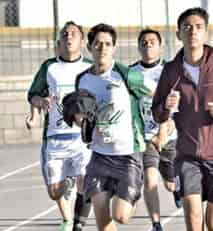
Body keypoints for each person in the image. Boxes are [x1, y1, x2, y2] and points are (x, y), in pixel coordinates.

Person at [151, 7, 213, 231]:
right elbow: (156, 113)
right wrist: (165, 108)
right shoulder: (171, 71)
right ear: (178, 34)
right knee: (194, 219)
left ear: (205, 32)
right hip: (187, 155)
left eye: (198, 27)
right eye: (187, 28)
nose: (192, 32)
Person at [73, 23, 149, 231]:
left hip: (128, 155)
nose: (102, 48)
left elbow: (153, 96)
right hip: (99, 155)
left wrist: (165, 119)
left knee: (121, 216)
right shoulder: (83, 79)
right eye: (97, 43)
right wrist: (81, 120)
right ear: (89, 47)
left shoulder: (126, 75)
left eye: (107, 44)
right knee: (102, 220)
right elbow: (78, 112)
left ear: (114, 47)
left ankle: (131, 193)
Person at [26, 21, 92, 231]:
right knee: (55, 192)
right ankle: (67, 187)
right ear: (59, 41)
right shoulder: (49, 67)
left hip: (82, 139)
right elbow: (33, 94)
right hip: (55, 139)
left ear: (82, 41)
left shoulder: (90, 67)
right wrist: (39, 105)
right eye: (64, 34)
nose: (68, 37)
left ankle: (75, 222)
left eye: (73, 34)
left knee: (85, 181)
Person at [129, 28, 181, 231]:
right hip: (146, 138)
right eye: (143, 41)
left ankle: (177, 190)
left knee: (170, 183)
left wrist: (170, 124)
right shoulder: (132, 73)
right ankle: (156, 224)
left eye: (152, 41)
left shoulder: (171, 70)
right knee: (150, 178)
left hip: (171, 136)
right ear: (139, 47)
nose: (148, 44)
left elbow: (180, 101)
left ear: (160, 46)